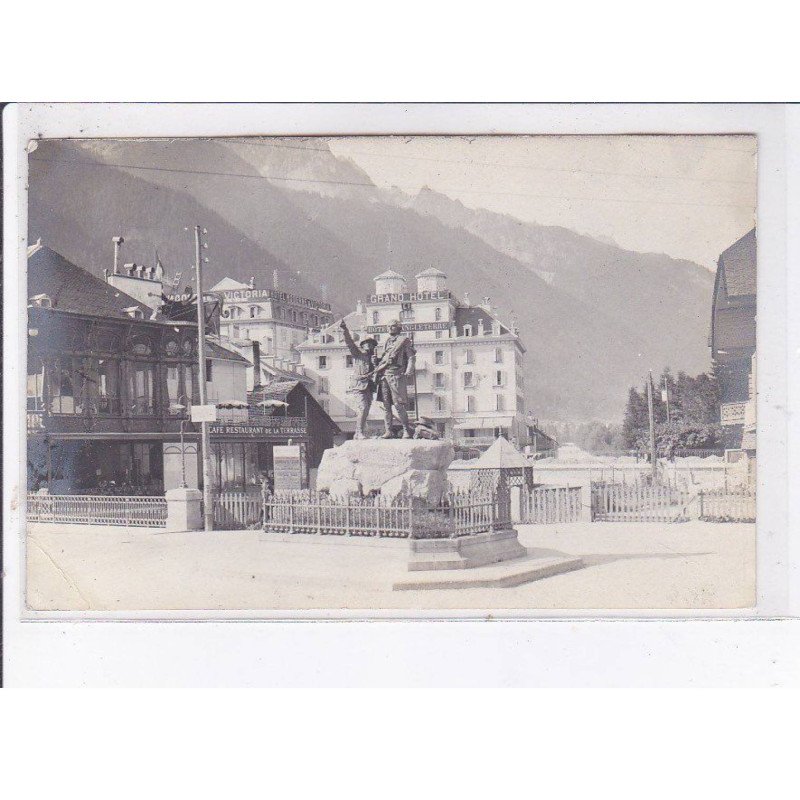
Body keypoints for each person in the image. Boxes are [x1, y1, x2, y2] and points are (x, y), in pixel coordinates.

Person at [374, 318, 416, 439]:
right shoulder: (387, 341)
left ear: (399, 327)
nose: (390, 328)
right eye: (388, 326)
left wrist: (409, 370)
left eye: (392, 326)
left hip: (396, 374)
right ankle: (388, 431)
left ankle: (406, 430)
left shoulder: (404, 341)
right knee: (386, 405)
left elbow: (411, 357)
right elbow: (384, 358)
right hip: (384, 375)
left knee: (398, 404)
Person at [339, 319, 379, 439]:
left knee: (366, 410)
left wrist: (375, 363)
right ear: (362, 345)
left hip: (369, 387)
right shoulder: (357, 354)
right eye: (366, 343)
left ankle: (358, 432)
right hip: (359, 385)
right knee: (363, 408)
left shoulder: (374, 358)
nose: (369, 345)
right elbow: (349, 343)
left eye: (371, 344)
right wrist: (345, 330)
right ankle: (359, 432)